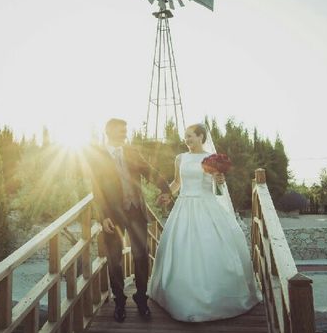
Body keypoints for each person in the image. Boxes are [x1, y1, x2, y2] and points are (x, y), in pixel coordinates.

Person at [147, 123, 262, 322]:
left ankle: (213, 299)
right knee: (180, 250)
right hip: (183, 207)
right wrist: (167, 194)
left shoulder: (211, 159)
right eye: (186, 136)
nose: (187, 139)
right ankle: (176, 298)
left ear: (201, 137)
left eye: (191, 136)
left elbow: (217, 192)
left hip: (206, 206)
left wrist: (220, 182)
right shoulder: (180, 158)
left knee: (208, 249)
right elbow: (177, 183)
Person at [87, 118, 172, 322]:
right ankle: (120, 302)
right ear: (109, 131)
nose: (124, 133)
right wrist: (103, 216)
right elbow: (95, 188)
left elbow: (149, 171)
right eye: (120, 130)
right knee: (114, 260)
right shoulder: (97, 155)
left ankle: (142, 299)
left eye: (126, 130)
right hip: (113, 215)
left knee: (142, 254)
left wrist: (165, 189)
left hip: (135, 211)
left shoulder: (132, 151)